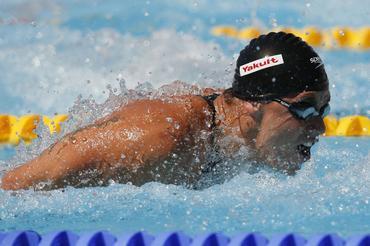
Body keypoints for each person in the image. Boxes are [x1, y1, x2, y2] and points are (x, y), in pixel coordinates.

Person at [1, 32, 330, 191]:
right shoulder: (158, 140)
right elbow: (14, 186)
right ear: (251, 104)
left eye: (323, 110)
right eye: (303, 110)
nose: (320, 128)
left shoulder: (236, 136)